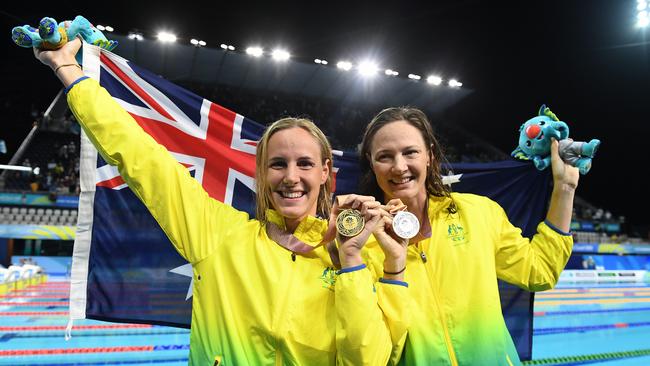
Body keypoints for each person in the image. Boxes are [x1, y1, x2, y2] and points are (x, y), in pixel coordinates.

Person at [32, 36, 409, 365]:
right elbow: (142, 160)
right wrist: (68, 69)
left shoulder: (359, 254)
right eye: (278, 164)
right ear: (261, 173)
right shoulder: (218, 234)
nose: (291, 177)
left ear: (326, 172)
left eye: (305, 164)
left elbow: (369, 360)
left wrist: (352, 262)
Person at [358, 107, 577, 365]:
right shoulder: (363, 243)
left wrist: (564, 188)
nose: (399, 166)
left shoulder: (478, 212)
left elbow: (539, 271)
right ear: (371, 164)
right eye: (385, 156)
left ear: (429, 155)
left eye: (410, 152)